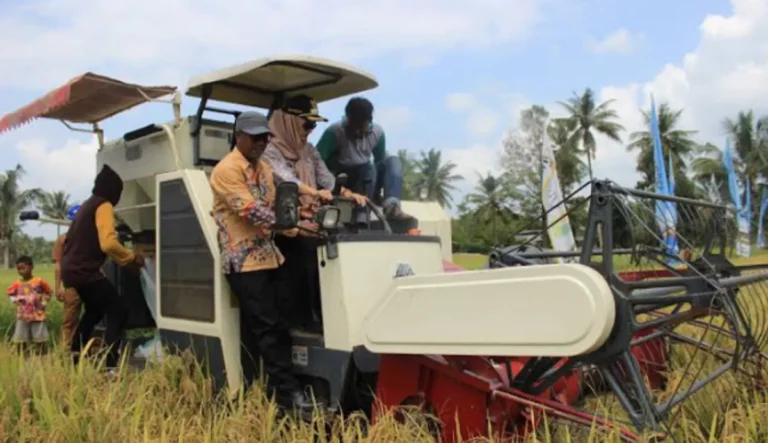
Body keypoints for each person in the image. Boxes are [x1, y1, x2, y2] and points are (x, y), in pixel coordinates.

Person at [209, 110, 312, 414]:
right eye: (254, 137)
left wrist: (303, 215)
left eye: (264, 137)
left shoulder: (264, 168)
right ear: (238, 136)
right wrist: (294, 226)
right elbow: (253, 212)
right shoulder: (226, 171)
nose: (260, 142)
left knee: (280, 322)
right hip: (244, 261)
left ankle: (270, 388)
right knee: (268, 328)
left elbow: (275, 201)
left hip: (268, 255)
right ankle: (287, 395)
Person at [262, 95, 366, 333]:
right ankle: (301, 323)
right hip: (281, 225)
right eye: (307, 124)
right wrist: (314, 192)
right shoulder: (269, 150)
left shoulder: (308, 151)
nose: (310, 130)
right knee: (307, 252)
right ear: (288, 121)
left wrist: (350, 194)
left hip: (312, 219)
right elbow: (286, 180)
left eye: (314, 125)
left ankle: (333, 315)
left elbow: (328, 180)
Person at [61, 164, 144, 372]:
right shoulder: (103, 205)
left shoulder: (87, 205)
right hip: (85, 272)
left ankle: (74, 356)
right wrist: (131, 257)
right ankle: (111, 366)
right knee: (118, 310)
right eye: (119, 191)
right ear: (112, 190)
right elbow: (108, 243)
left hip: (71, 270)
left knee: (95, 311)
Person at [316, 96, 410, 220]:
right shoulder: (334, 132)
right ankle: (360, 209)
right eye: (353, 126)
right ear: (348, 118)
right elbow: (315, 162)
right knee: (367, 168)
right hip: (340, 181)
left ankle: (392, 206)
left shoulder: (377, 133)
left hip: (366, 179)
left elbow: (379, 162)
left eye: (361, 127)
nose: (357, 131)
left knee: (392, 162)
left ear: (369, 121)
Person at [7, 256, 53, 354]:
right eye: (18, 269)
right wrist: (16, 300)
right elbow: (10, 293)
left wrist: (44, 302)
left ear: (31, 267)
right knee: (21, 338)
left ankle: (42, 357)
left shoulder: (39, 281)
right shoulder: (17, 283)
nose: (21, 271)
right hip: (22, 315)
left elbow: (48, 291)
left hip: (38, 314)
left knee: (40, 338)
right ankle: (23, 357)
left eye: (23, 268)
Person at [52, 205, 82, 347]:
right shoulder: (63, 240)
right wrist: (58, 287)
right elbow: (58, 264)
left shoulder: (93, 238)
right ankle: (66, 351)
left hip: (93, 283)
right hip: (72, 285)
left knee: (98, 317)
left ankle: (90, 348)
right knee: (69, 320)